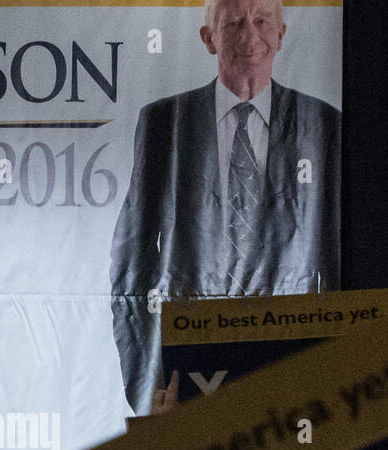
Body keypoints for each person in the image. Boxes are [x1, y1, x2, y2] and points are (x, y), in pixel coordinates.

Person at [109, 0, 341, 413]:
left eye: (261, 21)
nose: (249, 37)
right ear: (208, 38)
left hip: (293, 370)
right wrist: (148, 390)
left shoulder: (322, 123)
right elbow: (132, 266)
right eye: (233, 23)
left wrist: (337, 381)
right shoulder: (165, 122)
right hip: (187, 375)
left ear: (281, 34)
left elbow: (340, 270)